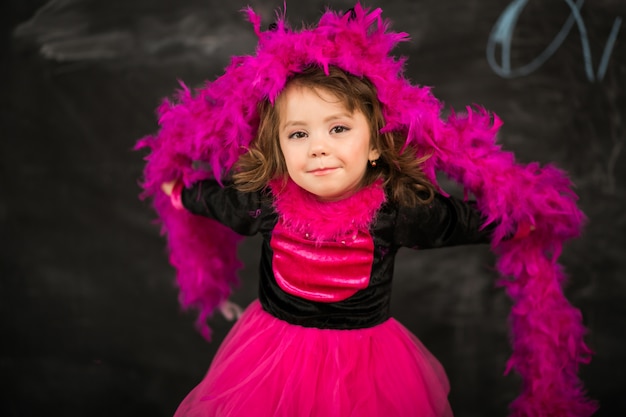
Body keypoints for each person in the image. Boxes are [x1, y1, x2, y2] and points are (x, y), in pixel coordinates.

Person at [137, 4, 595, 417]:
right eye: (298, 135)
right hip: (271, 356)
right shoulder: (265, 202)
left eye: (338, 128)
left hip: (366, 365)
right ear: (277, 148)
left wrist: (517, 222)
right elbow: (219, 202)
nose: (318, 148)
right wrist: (182, 193)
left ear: (375, 144)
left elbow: (456, 221)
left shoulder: (397, 211)